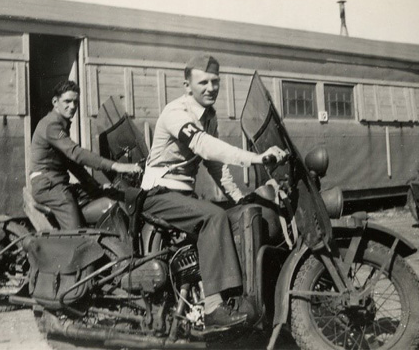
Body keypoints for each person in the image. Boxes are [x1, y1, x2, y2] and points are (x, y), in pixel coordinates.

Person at [141, 54, 286, 330]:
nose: (211, 88)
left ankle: (242, 298)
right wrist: (256, 158)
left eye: (215, 81)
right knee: (213, 218)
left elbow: (216, 167)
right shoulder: (176, 113)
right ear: (187, 86)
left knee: (237, 216)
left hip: (181, 196)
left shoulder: (209, 117)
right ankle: (214, 308)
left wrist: (241, 198)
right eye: (203, 82)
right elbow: (204, 147)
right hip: (157, 194)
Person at [30, 80, 142, 230]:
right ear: (55, 102)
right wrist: (117, 166)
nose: (72, 106)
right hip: (49, 186)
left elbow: (72, 164)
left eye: (75, 102)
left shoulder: (62, 123)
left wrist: (96, 187)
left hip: (57, 183)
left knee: (107, 194)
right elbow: (76, 154)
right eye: (67, 101)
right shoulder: (51, 124)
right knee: (77, 232)